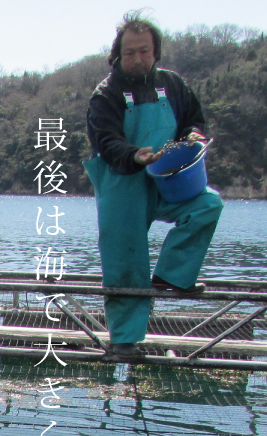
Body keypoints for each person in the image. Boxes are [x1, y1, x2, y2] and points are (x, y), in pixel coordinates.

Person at [84, 11, 223, 361]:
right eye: (129, 52)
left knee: (208, 206)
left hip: (168, 179)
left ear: (155, 51)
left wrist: (194, 137)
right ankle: (124, 341)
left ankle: (172, 276)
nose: (137, 58)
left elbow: (195, 121)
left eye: (144, 51)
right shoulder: (106, 94)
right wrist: (135, 156)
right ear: (117, 55)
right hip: (123, 183)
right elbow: (107, 142)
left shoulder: (174, 85)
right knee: (125, 258)